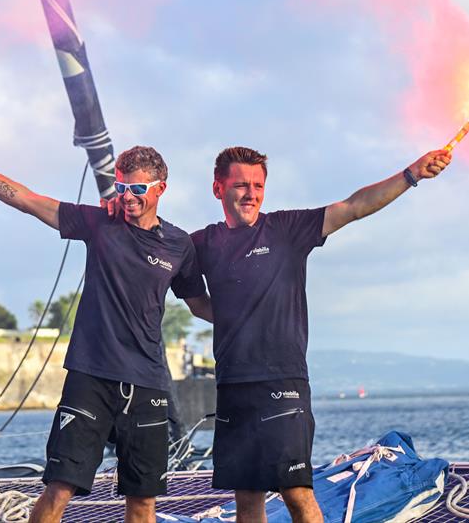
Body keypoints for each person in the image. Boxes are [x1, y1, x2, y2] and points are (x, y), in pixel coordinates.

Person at [0, 135, 212, 523]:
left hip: (147, 384)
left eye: (137, 189)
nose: (127, 197)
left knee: (143, 501)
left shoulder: (179, 245)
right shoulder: (99, 223)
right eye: (121, 187)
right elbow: (26, 199)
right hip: (91, 378)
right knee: (59, 488)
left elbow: (199, 305)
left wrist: (259, 318)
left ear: (160, 189)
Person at [189, 146, 452, 523]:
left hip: (283, 382)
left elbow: (354, 207)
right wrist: (237, 318)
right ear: (218, 188)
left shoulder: (286, 230)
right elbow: (196, 303)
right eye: (241, 185)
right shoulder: (202, 244)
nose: (251, 194)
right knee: (246, 497)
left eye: (258, 186)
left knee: (297, 492)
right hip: (233, 384)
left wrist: (412, 174)